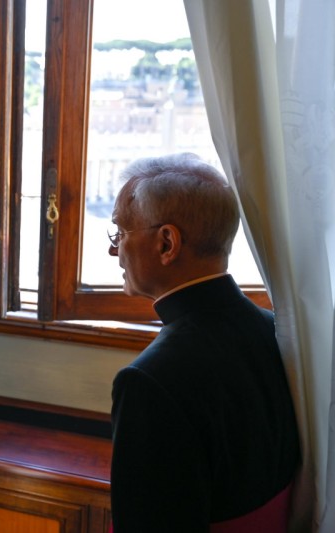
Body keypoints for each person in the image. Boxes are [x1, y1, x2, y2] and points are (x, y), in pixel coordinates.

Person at [107, 153, 300, 532]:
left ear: (167, 243)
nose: (114, 250)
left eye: (121, 233)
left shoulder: (149, 381)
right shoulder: (275, 330)